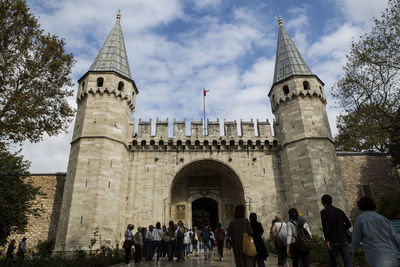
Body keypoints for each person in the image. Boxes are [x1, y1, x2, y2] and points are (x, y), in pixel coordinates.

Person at [352, 196, 400, 267]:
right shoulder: (382, 218)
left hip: (375, 254)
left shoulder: (360, 219)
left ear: (360, 206)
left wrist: (354, 250)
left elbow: (356, 238)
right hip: (390, 253)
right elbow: (393, 236)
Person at [320, 194, 352, 267]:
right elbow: (349, 223)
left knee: (333, 262)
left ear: (323, 203)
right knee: (347, 261)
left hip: (333, 241)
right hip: (343, 239)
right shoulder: (339, 211)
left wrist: (327, 240)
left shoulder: (324, 212)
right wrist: (342, 229)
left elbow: (326, 228)